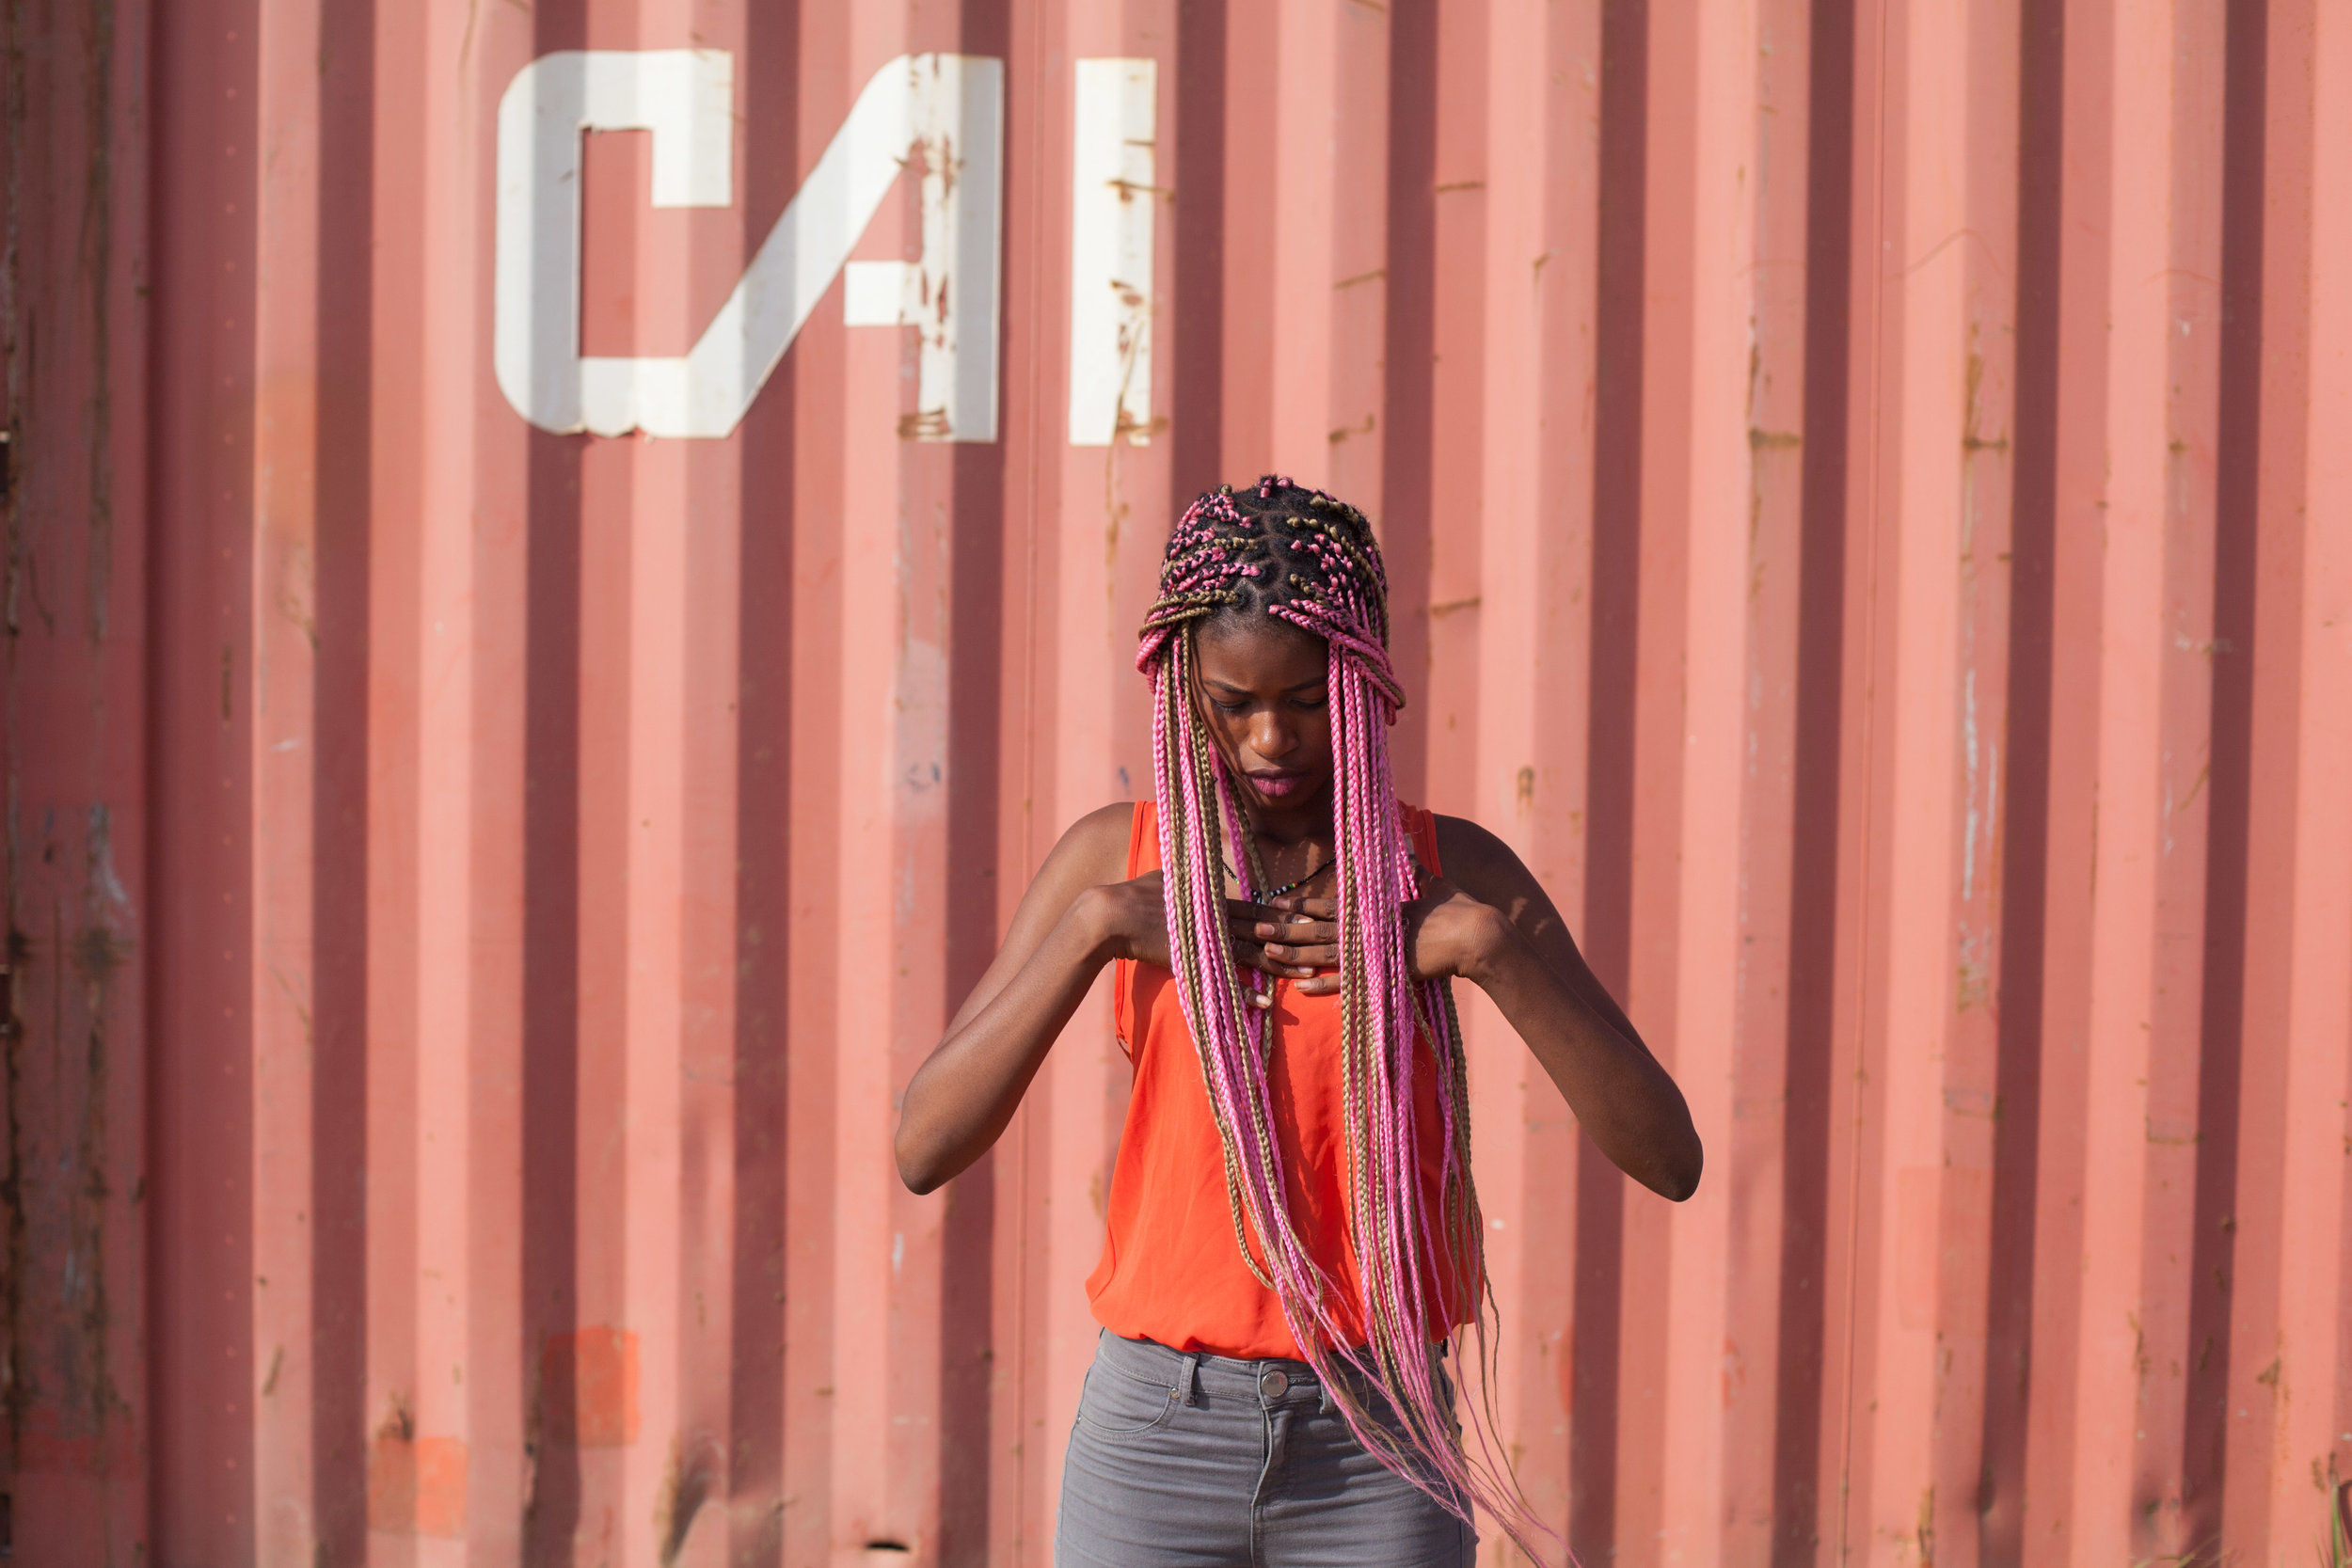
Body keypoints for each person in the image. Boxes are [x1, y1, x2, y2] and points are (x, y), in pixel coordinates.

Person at [896, 477, 1702, 1567]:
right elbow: (924, 1146)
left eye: (1305, 699)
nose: (1270, 738)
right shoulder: (1115, 859)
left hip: (1379, 1439)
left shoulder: (1452, 870)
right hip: (1155, 1441)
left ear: (1360, 682)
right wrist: (1092, 930)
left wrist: (1482, 949)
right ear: (1182, 687)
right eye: (1234, 702)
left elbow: (1668, 1154)